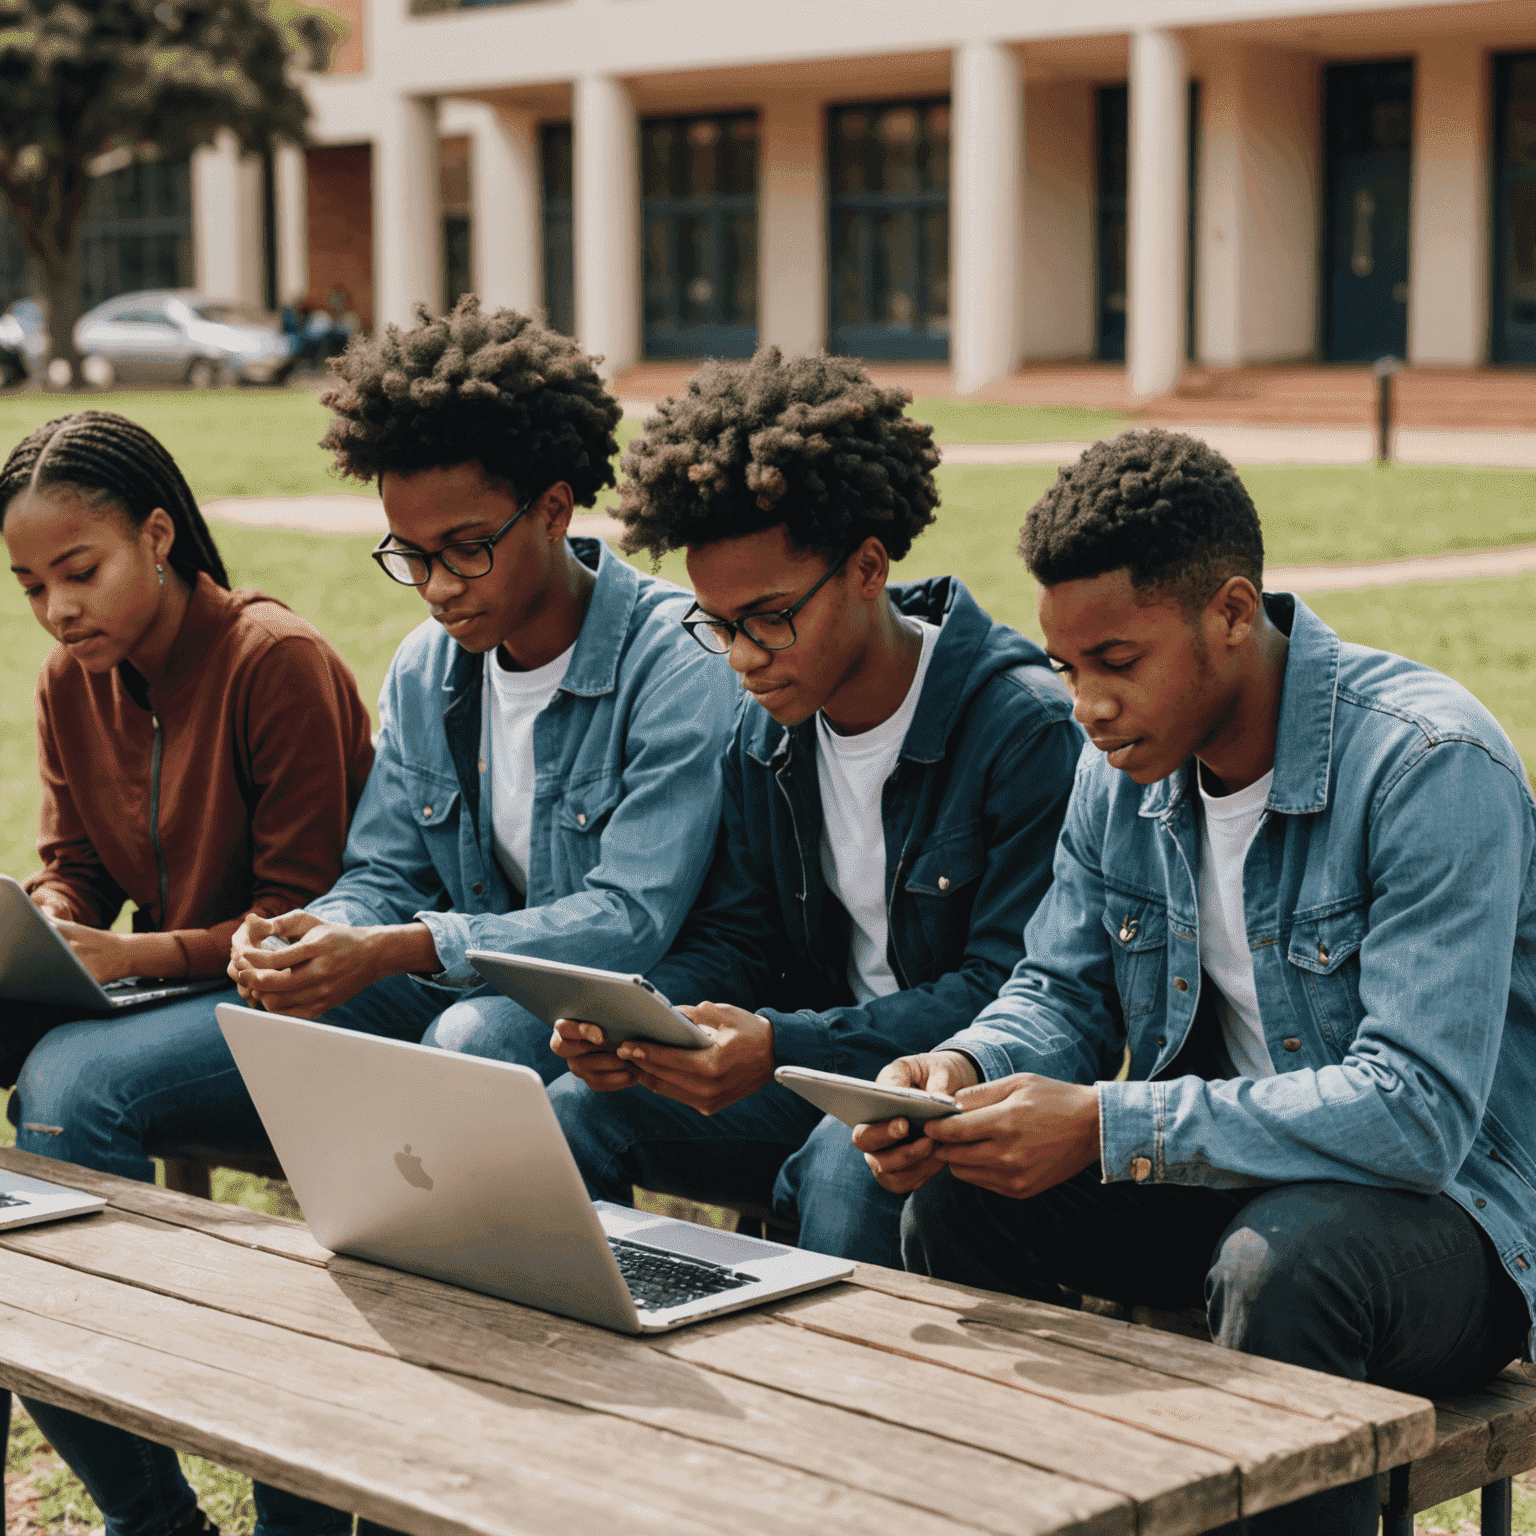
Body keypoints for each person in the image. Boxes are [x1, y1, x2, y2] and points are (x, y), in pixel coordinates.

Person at [859, 428, 1536, 1536]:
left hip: (1449, 1223)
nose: (1087, 703)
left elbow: (1417, 1116)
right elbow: (1063, 992)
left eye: (1118, 661)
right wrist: (964, 1068)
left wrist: (1109, 1125)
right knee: (962, 1192)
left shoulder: (1427, 764)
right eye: (1069, 668)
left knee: (1289, 1267)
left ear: (1231, 613)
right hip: (1229, 1177)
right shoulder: (1119, 772)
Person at [545, 349, 1083, 1266]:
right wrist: (645, 1023)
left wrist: (786, 1045)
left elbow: (1012, 986)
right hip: (817, 1069)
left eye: (769, 618)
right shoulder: (767, 730)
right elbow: (743, 938)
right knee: (574, 1112)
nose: (743, 657)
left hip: (957, 1089)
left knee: (845, 1165)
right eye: (719, 625)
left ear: (868, 567)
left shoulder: (1019, 727)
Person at [0, 409, 374, 1536]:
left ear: (158, 537)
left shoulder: (278, 661)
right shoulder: (73, 682)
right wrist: (46, 919)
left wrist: (139, 954)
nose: (59, 610)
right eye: (29, 586)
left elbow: (308, 910)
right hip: (156, 990)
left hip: (310, 994)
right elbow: (71, 864)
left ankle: (153, 1516)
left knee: (68, 1090)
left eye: (81, 572)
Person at [224, 297, 737, 1075]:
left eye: (464, 550)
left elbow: (631, 916)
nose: (435, 587)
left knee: (474, 1042)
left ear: (555, 511)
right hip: (485, 973)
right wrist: (314, 933)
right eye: (411, 554)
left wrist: (407, 944)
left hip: (658, 980)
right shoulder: (427, 669)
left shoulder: (675, 658)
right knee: (297, 1012)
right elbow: (385, 873)